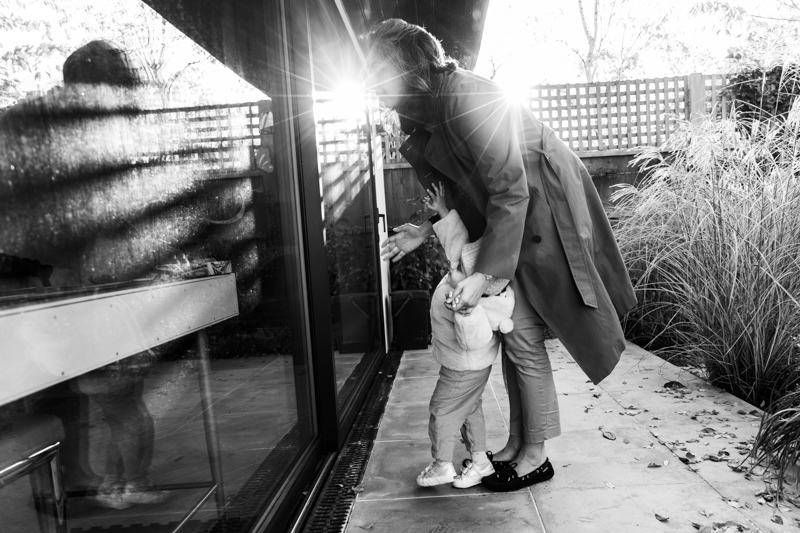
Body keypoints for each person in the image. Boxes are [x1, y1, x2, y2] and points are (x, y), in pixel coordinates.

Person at [368, 19, 637, 492]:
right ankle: (518, 444)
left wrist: (486, 273)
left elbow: (509, 187)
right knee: (517, 335)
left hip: (540, 202)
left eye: (378, 69)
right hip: (511, 212)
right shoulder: (427, 110)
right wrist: (425, 229)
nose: (371, 81)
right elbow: (461, 186)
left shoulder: (463, 95)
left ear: (408, 66)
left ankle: (536, 455)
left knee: (524, 334)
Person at [416, 183, 515, 489]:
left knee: (442, 409)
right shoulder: (464, 278)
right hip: (464, 366)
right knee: (469, 408)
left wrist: (465, 312)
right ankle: (481, 462)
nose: (453, 266)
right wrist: (442, 210)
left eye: (460, 268)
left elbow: (474, 340)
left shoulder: (473, 304)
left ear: (476, 287)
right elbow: (456, 241)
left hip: (464, 366)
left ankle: (441, 464)